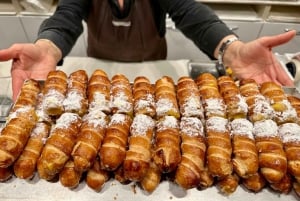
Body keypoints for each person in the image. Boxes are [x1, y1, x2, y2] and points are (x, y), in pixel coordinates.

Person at [0, 0, 296, 101]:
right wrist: (47, 48)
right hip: (100, 69)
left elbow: (190, 13)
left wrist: (231, 50)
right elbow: (65, 18)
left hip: (152, 72)